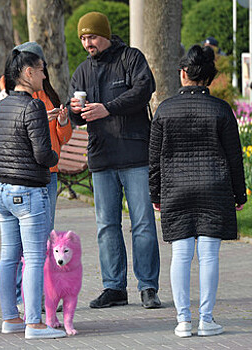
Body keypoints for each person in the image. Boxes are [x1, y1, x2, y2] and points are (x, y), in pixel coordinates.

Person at [149, 45, 247, 338]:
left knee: (180, 254)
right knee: (209, 255)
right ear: (209, 78)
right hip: (214, 188)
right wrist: (239, 195)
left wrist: (156, 194)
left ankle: (182, 320)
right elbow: (234, 157)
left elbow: (153, 159)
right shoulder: (221, 110)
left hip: (176, 189)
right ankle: (206, 319)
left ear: (183, 74)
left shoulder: (164, 109)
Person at [68, 11, 161, 309]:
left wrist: (108, 108)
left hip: (135, 154)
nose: (87, 43)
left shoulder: (131, 58)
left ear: (105, 34)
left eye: (92, 37)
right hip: (101, 156)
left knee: (143, 223)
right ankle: (114, 288)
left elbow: (144, 90)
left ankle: (148, 286)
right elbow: (76, 117)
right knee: (106, 225)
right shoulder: (81, 71)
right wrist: (72, 110)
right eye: (83, 38)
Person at [0, 42, 66, 340]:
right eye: (40, 70)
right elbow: (41, 153)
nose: (44, 76)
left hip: (2, 190)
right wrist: (55, 158)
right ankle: (34, 323)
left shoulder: (4, 103)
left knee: (9, 256)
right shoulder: (34, 105)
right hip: (29, 190)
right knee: (35, 257)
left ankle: (11, 317)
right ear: (27, 72)